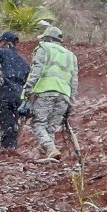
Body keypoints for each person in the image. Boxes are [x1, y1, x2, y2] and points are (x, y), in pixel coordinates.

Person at [25, 25, 79, 159]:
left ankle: (49, 147)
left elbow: (36, 70)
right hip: (64, 95)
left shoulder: (44, 48)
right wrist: (71, 101)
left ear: (47, 38)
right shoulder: (71, 56)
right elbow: (74, 80)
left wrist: (28, 89)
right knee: (51, 127)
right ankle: (48, 156)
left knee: (39, 124)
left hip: (46, 91)